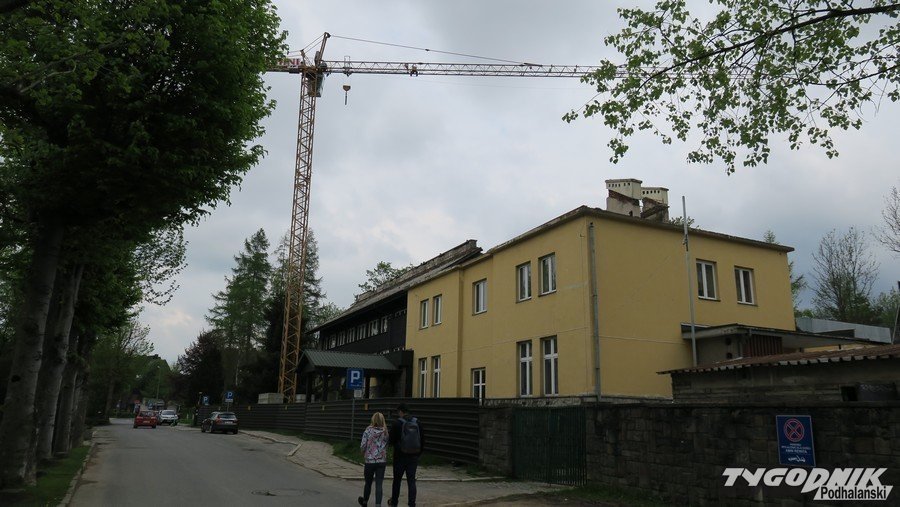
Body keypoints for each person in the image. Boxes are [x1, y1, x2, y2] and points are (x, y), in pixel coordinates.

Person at [387, 403, 424, 507]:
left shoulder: (397, 423)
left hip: (399, 457)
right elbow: (422, 440)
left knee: (397, 481)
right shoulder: (417, 422)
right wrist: (418, 454)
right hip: (413, 456)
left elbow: (391, 441)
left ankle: (394, 503)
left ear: (400, 411)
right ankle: (412, 504)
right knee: (411, 481)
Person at [358, 412, 389, 507]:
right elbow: (387, 445)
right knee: (379, 484)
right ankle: (378, 505)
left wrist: (363, 452)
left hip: (369, 461)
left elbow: (363, 445)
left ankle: (365, 502)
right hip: (381, 461)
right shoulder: (385, 432)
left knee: (368, 483)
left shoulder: (368, 430)